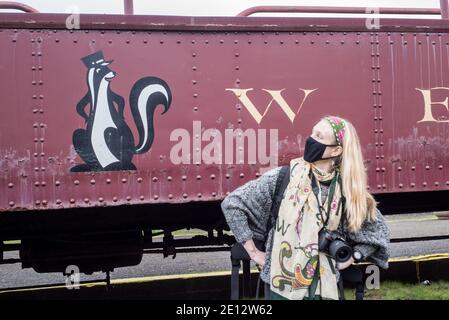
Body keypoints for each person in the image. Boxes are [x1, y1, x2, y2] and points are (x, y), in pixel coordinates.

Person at [221, 115, 390, 300]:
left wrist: (354, 256)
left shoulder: (347, 191)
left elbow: (378, 233)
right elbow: (232, 204)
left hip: (325, 288)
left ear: (336, 151)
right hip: (281, 286)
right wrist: (255, 254)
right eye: (312, 133)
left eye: (319, 136)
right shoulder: (282, 178)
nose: (311, 139)